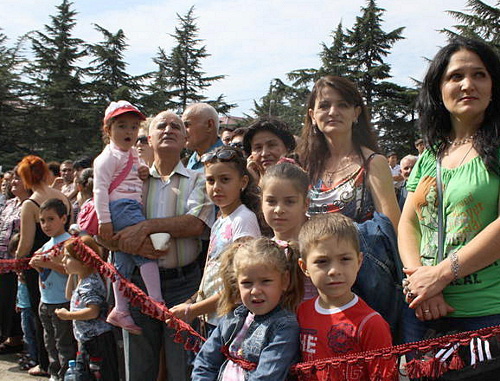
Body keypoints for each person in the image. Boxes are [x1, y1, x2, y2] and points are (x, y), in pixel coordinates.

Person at [398, 36, 500, 367]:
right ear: (439, 90)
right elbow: (408, 222)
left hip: (484, 314)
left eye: (479, 74)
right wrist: (421, 284)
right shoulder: (430, 155)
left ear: (493, 85)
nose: (467, 84)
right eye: (455, 76)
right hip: (423, 312)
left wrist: (441, 275)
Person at [108, 110, 215, 381]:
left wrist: (145, 227)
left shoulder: (199, 179)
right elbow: (105, 229)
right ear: (150, 138)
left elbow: (194, 225)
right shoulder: (130, 180)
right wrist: (135, 247)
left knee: (184, 368)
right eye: (161, 126)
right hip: (136, 287)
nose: (169, 130)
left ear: (185, 139)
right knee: (139, 368)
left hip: (184, 286)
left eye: (176, 126)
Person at [296, 75, 403, 337]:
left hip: (362, 289)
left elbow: (394, 229)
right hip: (314, 287)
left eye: (342, 105)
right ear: (312, 115)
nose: (333, 112)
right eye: (324, 106)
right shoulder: (306, 167)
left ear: (356, 113)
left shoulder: (372, 163)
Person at [169, 146, 261, 333]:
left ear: (242, 182)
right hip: (212, 318)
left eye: (225, 180)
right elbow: (212, 271)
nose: (216, 187)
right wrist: (192, 301)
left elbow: (241, 285)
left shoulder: (243, 219)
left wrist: (191, 310)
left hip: (230, 321)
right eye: (210, 180)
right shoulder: (220, 219)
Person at [93, 100, 164, 335]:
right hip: (122, 208)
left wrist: (143, 170)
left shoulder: (132, 154)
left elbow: (136, 173)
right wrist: (104, 221)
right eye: (122, 126)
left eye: (134, 127)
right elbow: (99, 191)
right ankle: (156, 301)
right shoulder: (107, 157)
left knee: (121, 261)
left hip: (130, 207)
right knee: (145, 251)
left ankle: (120, 309)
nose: (129, 132)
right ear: (108, 130)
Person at [297, 213, 396, 381]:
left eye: (345, 259)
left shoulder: (371, 323)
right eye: (322, 261)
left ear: (359, 262)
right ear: (305, 267)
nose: (334, 270)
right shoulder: (302, 312)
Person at [192, 237, 302, 380]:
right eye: (247, 283)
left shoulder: (284, 327)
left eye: (266, 281)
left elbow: (266, 376)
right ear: (237, 284)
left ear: (285, 281)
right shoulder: (233, 317)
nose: (255, 291)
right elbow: (206, 360)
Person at [15, 155, 71, 378]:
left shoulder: (30, 204)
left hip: (39, 264)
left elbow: (25, 242)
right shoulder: (62, 197)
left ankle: (46, 364)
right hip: (65, 259)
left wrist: (18, 262)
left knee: (43, 318)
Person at [55, 236, 118, 381]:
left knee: (95, 376)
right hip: (87, 341)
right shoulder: (84, 279)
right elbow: (68, 295)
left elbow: (93, 311)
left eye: (68, 257)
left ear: (83, 261)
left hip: (96, 342)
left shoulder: (90, 284)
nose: (63, 261)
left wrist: (68, 315)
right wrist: (72, 274)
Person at [28, 198, 76, 380]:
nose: (46, 225)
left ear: (63, 219)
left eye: (51, 219)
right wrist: (38, 265)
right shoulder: (46, 245)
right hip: (46, 300)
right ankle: (54, 373)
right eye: (42, 221)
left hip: (63, 299)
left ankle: (66, 374)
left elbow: (71, 270)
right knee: (50, 342)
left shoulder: (69, 242)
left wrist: (49, 263)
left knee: (64, 343)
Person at [260, 160, 316, 300]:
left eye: (289, 202)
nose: (279, 210)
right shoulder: (262, 251)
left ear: (305, 204)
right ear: (261, 202)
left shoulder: (319, 245)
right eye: (271, 201)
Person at [0, 168, 29, 355]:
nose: (13, 182)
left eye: (18, 179)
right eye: (12, 179)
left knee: (12, 300)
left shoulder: (30, 204)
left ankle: (15, 338)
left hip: (16, 261)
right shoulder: (10, 204)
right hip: (2, 260)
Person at [243, 117, 296, 185]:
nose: (264, 153)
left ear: (287, 148)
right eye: (258, 147)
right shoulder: (240, 189)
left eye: (272, 145)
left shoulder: (304, 186)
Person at [182, 103, 223, 171]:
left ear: (209, 125)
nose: (183, 131)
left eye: (187, 125)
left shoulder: (229, 161)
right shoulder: (188, 161)